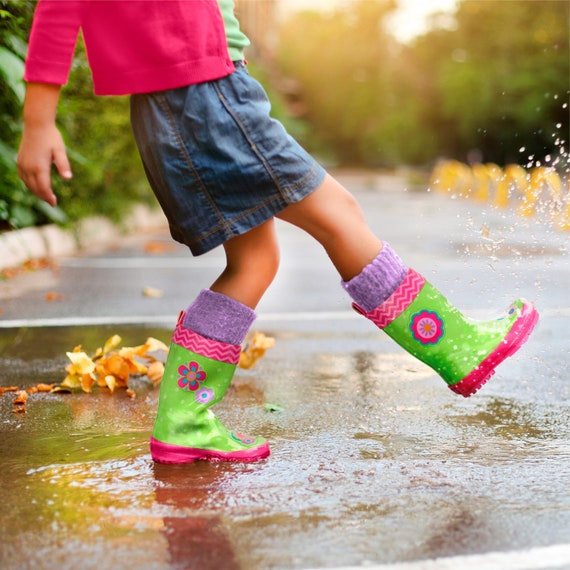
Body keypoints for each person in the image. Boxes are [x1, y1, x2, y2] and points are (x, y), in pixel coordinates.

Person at [17, 0, 539, 465]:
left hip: (195, 95)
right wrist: (39, 120)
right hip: (203, 96)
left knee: (254, 263)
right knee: (338, 214)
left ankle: (184, 422)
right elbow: (60, 6)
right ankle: (457, 348)